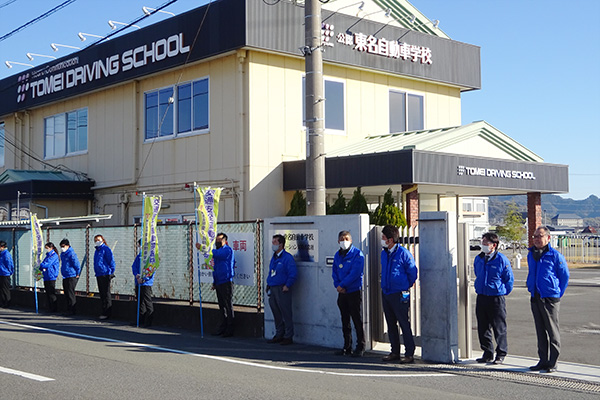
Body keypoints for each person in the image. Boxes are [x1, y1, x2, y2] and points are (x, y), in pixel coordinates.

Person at [527, 226, 569, 373]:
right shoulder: (531, 254)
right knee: (540, 331)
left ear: (548, 238)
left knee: (552, 331)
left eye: (540, 236)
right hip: (535, 296)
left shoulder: (555, 256)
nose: (537, 239)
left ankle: (553, 362)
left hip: (550, 297)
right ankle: (543, 360)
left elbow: (564, 276)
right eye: (535, 236)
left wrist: (557, 293)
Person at [473, 232, 514, 364]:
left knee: (499, 327)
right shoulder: (479, 258)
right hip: (482, 296)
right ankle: (487, 352)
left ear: (494, 245)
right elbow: (477, 273)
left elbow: (508, 279)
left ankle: (501, 353)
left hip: (496, 297)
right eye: (482, 242)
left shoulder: (501, 259)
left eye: (486, 243)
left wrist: (502, 291)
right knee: (483, 326)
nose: (483, 245)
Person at [380, 225, 418, 364]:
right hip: (386, 292)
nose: (382, 240)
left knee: (403, 322)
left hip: (399, 293)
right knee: (390, 324)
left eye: (383, 238)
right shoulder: (384, 253)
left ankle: (409, 353)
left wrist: (406, 285)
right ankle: (394, 351)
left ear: (390, 240)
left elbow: (412, 272)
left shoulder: (403, 253)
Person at [332, 230, 365, 357]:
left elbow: (355, 273)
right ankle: (347, 346)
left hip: (353, 291)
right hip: (342, 292)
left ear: (351, 241)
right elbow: (334, 272)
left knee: (357, 320)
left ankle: (360, 346)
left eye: (346, 239)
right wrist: (338, 285)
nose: (344, 241)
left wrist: (343, 285)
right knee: (344, 320)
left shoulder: (357, 254)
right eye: (341, 239)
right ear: (338, 241)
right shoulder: (337, 255)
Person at [266, 234, 297, 345]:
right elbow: (271, 272)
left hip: (282, 288)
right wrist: (268, 284)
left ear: (281, 244)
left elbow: (292, 273)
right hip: (273, 288)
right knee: (276, 312)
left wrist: (287, 285)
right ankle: (279, 334)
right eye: (272, 242)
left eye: (275, 242)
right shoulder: (274, 258)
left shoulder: (287, 258)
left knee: (286, 312)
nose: (273, 244)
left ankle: (288, 336)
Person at [210, 233, 235, 337]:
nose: (217, 242)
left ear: (224, 241)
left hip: (226, 281)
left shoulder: (227, 250)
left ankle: (230, 329)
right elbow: (215, 268)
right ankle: (222, 328)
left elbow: (217, 254)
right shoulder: (218, 252)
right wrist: (214, 282)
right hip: (219, 282)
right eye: (216, 240)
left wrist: (205, 248)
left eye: (219, 240)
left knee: (228, 305)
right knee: (222, 306)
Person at [131, 240, 155, 328]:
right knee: (140, 302)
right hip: (138, 282)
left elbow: (152, 269)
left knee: (147, 302)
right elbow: (134, 266)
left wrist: (144, 279)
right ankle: (140, 320)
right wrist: (137, 275)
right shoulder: (139, 255)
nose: (139, 247)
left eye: (139, 245)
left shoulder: (150, 256)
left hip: (146, 283)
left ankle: (149, 321)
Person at [94, 234, 116, 320]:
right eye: (96, 240)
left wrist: (110, 272)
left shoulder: (105, 249)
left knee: (106, 294)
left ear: (103, 240)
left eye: (99, 240)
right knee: (102, 294)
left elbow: (111, 261)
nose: (97, 241)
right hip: (99, 274)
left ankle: (107, 313)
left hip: (105, 273)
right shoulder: (97, 250)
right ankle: (103, 311)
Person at [59, 239, 81, 315]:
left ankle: (72, 310)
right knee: (66, 293)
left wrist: (77, 273)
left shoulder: (71, 254)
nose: (62, 248)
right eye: (61, 246)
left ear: (67, 246)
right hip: (65, 275)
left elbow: (77, 264)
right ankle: (68, 308)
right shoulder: (62, 254)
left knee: (70, 293)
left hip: (72, 275)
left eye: (63, 246)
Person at [40, 242, 60, 312]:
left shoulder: (54, 255)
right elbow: (43, 264)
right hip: (46, 276)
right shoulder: (47, 256)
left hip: (51, 276)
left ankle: (54, 308)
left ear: (51, 248)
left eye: (47, 248)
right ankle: (50, 307)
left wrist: (41, 265)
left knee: (51, 293)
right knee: (48, 292)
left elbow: (47, 264)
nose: (46, 250)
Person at [0, 240, 14, 308]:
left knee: (5, 289)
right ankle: (2, 302)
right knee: (1, 289)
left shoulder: (6, 254)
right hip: (1, 273)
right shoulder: (1, 254)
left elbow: (9, 264)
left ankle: (7, 302)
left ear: (2, 247)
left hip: (5, 274)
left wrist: (9, 271)